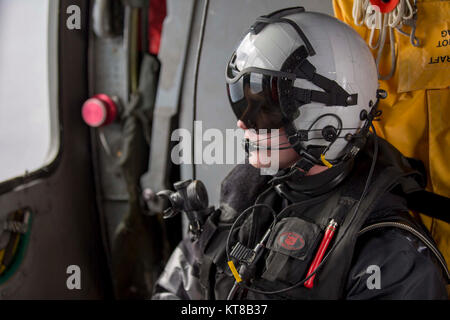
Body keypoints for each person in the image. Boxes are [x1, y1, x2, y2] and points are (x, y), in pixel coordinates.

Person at [152, 7, 449, 300]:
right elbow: (175, 289)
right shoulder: (243, 200)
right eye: (242, 102)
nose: (242, 122)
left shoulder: (389, 256)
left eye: (265, 108)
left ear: (329, 118)